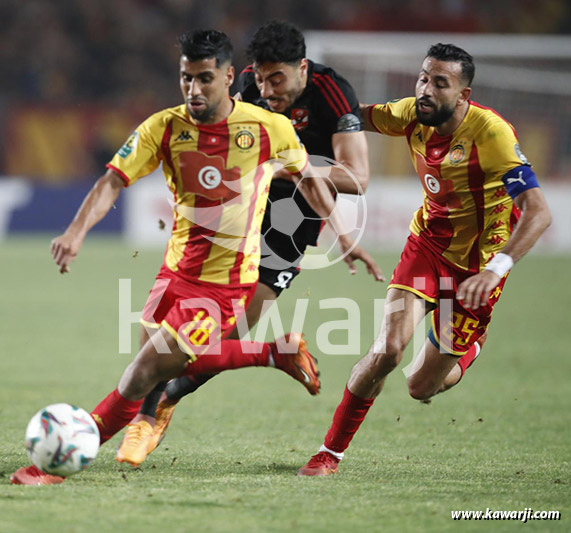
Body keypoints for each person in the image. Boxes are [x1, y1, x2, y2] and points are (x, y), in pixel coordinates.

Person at [11, 29, 379, 485]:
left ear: (228, 78)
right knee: (167, 359)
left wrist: (344, 235)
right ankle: (273, 352)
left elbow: (309, 179)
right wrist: (76, 231)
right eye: (186, 78)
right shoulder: (163, 126)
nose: (194, 89)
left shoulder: (268, 128)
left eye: (205, 78)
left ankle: (58, 465)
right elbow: (112, 180)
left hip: (226, 284)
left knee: (143, 373)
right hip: (176, 270)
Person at [297, 43, 552, 476]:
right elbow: (348, 116)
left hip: (478, 270)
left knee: (420, 387)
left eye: (440, 82)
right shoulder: (409, 114)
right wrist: (299, 114)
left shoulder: (491, 134)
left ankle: (466, 349)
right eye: (422, 78)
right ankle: (330, 453)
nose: (425, 89)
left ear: (464, 95)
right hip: (427, 249)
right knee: (387, 351)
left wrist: (497, 269)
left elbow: (539, 212)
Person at [137, 20, 381, 457]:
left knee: (229, 333)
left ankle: (174, 394)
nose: (267, 90)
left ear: (302, 68)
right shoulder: (245, 84)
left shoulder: (332, 92)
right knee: (185, 329)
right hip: (239, 217)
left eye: (278, 79)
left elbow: (357, 177)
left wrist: (285, 165)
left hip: (297, 220)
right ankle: (150, 413)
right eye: (261, 78)